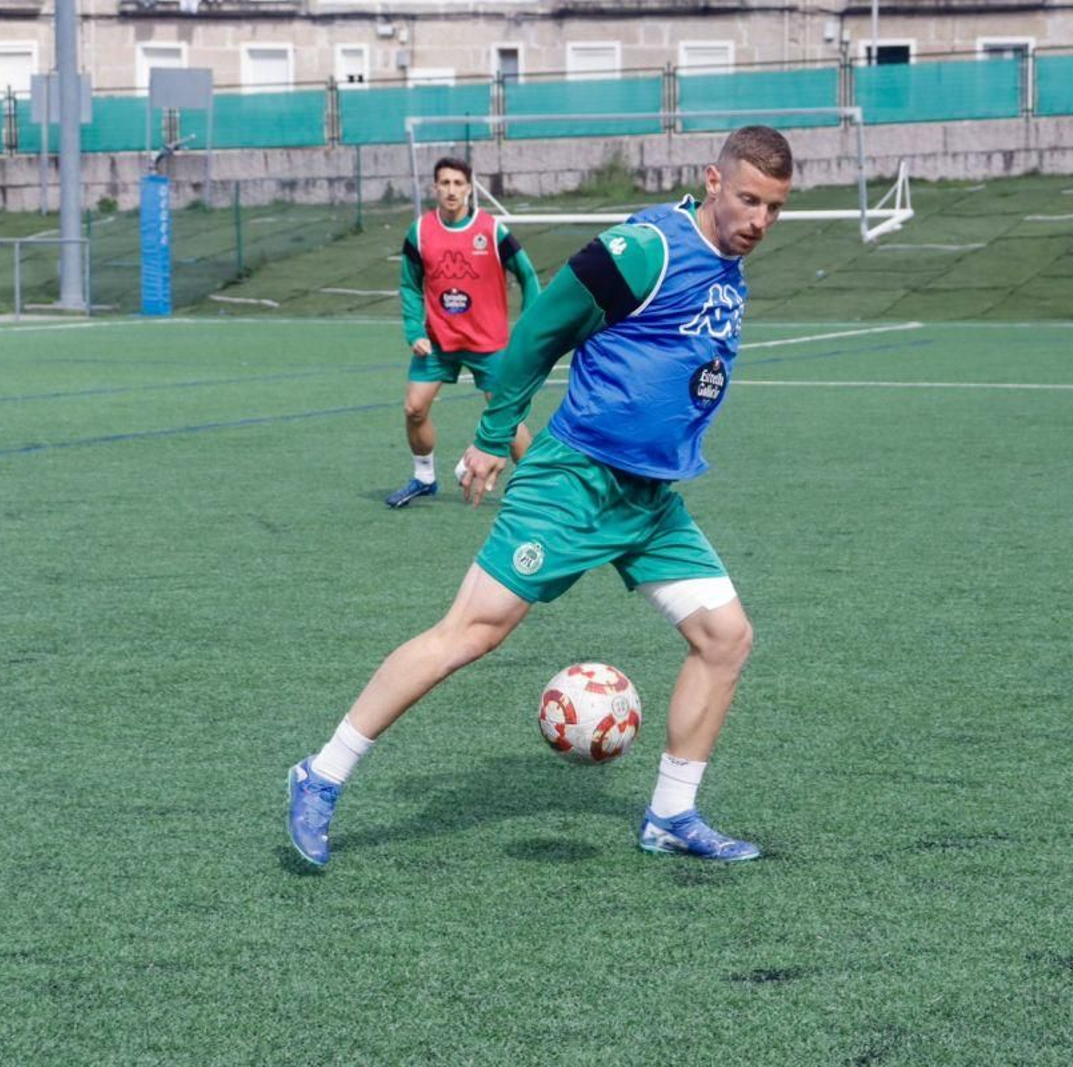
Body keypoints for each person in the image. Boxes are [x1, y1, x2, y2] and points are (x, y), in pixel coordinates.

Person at [289, 126, 795, 867]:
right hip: (576, 481)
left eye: (775, 208)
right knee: (471, 632)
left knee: (726, 638)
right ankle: (321, 772)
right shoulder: (644, 249)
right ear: (712, 181)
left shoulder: (727, 261)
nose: (760, 220)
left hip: (648, 499)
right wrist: (494, 436)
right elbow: (535, 335)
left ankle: (670, 814)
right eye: (749, 199)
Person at [386, 155, 541, 508]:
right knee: (413, 408)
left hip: (488, 343)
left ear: (469, 188)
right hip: (438, 341)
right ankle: (424, 478)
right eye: (445, 183)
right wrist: (414, 331)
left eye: (458, 183)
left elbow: (528, 275)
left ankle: (539, 490)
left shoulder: (492, 230)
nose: (451, 190)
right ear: (435, 188)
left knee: (508, 420)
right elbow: (410, 285)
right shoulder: (420, 232)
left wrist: (529, 327)